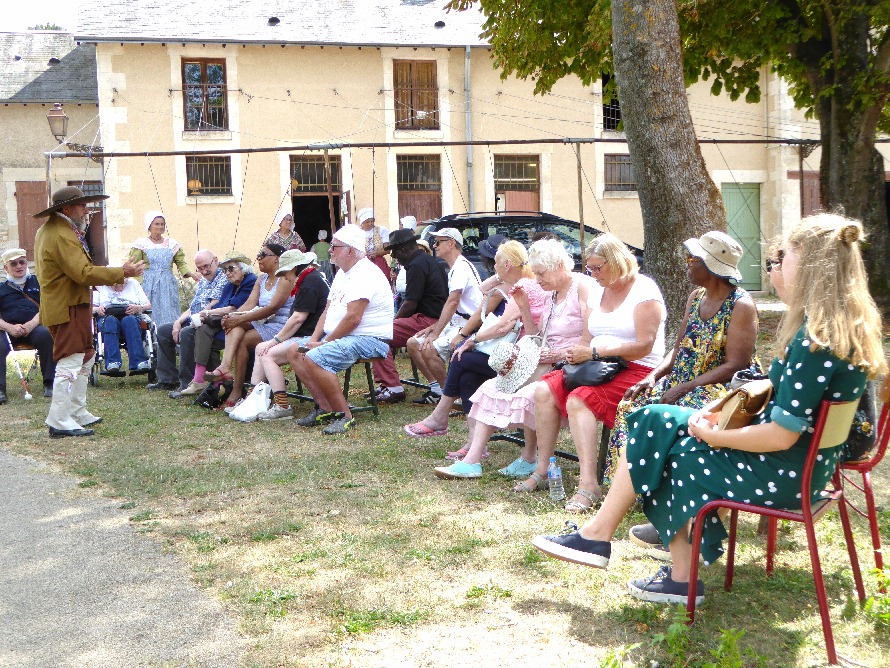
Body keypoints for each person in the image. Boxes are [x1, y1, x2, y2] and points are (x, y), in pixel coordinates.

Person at [532, 213, 886, 606]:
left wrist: (714, 434)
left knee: (665, 443)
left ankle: (632, 553)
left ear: (810, 265)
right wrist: (723, 405)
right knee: (654, 418)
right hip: (802, 465)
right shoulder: (834, 330)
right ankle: (611, 540)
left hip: (783, 471)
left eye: (782, 257)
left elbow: (782, 433)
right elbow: (780, 391)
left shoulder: (812, 341)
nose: (774, 266)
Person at [613, 232, 759, 556]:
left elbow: (737, 363)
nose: (687, 264)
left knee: (677, 417)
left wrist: (684, 387)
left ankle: (670, 507)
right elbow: (679, 350)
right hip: (682, 379)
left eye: (693, 260)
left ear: (712, 266)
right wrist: (653, 377)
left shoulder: (741, 306)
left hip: (718, 387)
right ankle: (639, 489)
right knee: (632, 405)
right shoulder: (696, 296)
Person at [515, 233, 667, 512]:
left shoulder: (644, 290)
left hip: (637, 369)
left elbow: (645, 346)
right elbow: (589, 336)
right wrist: (576, 353)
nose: (593, 273)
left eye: (598, 268)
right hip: (598, 366)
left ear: (617, 262)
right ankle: (543, 468)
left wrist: (594, 353)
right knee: (544, 390)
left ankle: (589, 485)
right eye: (590, 268)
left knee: (579, 399)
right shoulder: (599, 289)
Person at [433, 239, 591, 480]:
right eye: (535, 273)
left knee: (525, 392)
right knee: (490, 385)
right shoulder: (551, 293)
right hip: (542, 360)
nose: (537, 280)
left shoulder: (582, 286)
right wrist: (525, 308)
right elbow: (537, 336)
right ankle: (472, 460)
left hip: (570, 364)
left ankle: (528, 458)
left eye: (541, 273)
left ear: (559, 265)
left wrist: (559, 354)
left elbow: (590, 340)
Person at [403, 240, 546, 452]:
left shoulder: (521, 287)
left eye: (496, 263)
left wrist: (472, 339)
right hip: (517, 352)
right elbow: (482, 288)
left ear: (507, 264)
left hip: (518, 359)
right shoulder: (524, 282)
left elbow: (502, 327)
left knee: (462, 357)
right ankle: (472, 443)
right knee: (469, 374)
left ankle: (441, 416)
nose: (492, 267)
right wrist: (500, 276)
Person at [33, 186, 145, 438]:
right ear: (66, 209)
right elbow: (82, 272)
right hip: (67, 305)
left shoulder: (54, 229)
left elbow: (77, 271)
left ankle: (76, 411)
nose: (86, 210)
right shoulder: (60, 233)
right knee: (71, 359)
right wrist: (122, 272)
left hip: (72, 303)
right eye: (81, 205)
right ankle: (59, 419)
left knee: (85, 356)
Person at [288, 224, 393, 435]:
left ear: (350, 250)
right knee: (294, 351)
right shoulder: (343, 273)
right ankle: (324, 408)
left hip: (369, 338)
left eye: (334, 247)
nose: (329, 250)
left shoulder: (365, 272)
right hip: (345, 336)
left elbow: (354, 318)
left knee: (315, 357)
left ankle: (345, 416)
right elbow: (327, 310)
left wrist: (324, 343)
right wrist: (316, 338)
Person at [204, 243, 295, 411]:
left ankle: (236, 389)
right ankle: (227, 373)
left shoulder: (285, 277)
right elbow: (249, 304)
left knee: (243, 337)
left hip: (283, 326)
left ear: (276, 258)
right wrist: (233, 316)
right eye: (258, 254)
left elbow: (272, 308)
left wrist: (239, 318)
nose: (258, 258)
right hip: (265, 322)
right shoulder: (262, 279)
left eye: (263, 254)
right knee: (236, 328)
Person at [370, 228, 449, 404]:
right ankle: (433, 388)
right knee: (383, 333)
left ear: (403, 250)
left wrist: (393, 322)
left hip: (427, 319)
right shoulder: (427, 260)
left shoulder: (416, 266)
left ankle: (392, 387)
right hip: (436, 317)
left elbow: (410, 303)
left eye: (395, 253)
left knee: (378, 335)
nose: (395, 257)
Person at [407, 227, 483, 405]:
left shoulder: (461, 267)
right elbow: (453, 306)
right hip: (458, 321)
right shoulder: (456, 267)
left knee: (428, 347)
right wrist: (435, 327)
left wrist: (435, 333)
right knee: (413, 343)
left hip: (468, 326)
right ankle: (438, 389)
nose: (434, 246)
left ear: (452, 243)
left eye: (438, 242)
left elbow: (452, 302)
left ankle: (451, 397)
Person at [251, 250, 330, 420]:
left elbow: (297, 319)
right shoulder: (311, 278)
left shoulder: (309, 282)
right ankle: (252, 401)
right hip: (310, 334)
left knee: (268, 354)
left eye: (285, 273)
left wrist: (274, 341)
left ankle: (282, 406)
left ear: (295, 268)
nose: (285, 278)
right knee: (260, 348)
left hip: (314, 337)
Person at [175, 251, 257, 397]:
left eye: (231, 268)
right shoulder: (231, 284)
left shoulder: (250, 281)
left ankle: (203, 380)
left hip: (245, 324)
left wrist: (205, 313)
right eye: (225, 270)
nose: (227, 273)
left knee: (201, 332)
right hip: (228, 323)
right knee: (200, 333)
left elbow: (233, 308)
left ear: (242, 267)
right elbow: (223, 306)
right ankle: (215, 384)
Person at [148, 250, 228, 393]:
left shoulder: (223, 278)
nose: (203, 271)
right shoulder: (204, 281)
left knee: (186, 334)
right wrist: (178, 322)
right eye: (199, 268)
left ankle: (187, 383)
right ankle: (167, 378)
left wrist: (197, 316)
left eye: (206, 266)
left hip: (210, 321)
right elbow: (193, 306)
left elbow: (216, 303)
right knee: (163, 330)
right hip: (195, 318)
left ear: (215, 260)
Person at [0, 248, 56, 402]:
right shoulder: (1, 288)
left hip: (34, 327)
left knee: (46, 335)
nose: (19, 266)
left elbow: (48, 307)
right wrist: (9, 327)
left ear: (26, 263)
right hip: (6, 330)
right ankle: (0, 390)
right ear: (6, 268)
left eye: (22, 262)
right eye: (13, 264)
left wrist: (31, 324)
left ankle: (50, 383)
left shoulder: (39, 283)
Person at [129, 211, 198, 326]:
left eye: (162, 224)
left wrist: (191, 274)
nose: (160, 227)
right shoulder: (141, 244)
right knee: (149, 312)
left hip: (167, 283)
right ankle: (151, 338)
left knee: (169, 311)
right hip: (148, 283)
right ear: (149, 226)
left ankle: (170, 335)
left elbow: (181, 263)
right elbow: (134, 265)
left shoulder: (172, 244)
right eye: (157, 224)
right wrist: (138, 284)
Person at [92, 278, 152, 376]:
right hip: (107, 318)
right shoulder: (100, 285)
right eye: (112, 284)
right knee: (110, 321)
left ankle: (139, 362)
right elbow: (90, 308)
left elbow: (148, 305)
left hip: (131, 317)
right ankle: (112, 362)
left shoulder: (133, 283)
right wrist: (98, 309)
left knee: (130, 321)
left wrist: (139, 308)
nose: (115, 286)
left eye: (119, 283)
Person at [357, 207, 391, 278]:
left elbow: (387, 249)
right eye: (367, 222)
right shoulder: (358, 233)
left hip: (379, 263)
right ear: (362, 223)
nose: (370, 223)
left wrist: (377, 253)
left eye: (372, 221)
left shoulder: (382, 230)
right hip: (363, 265)